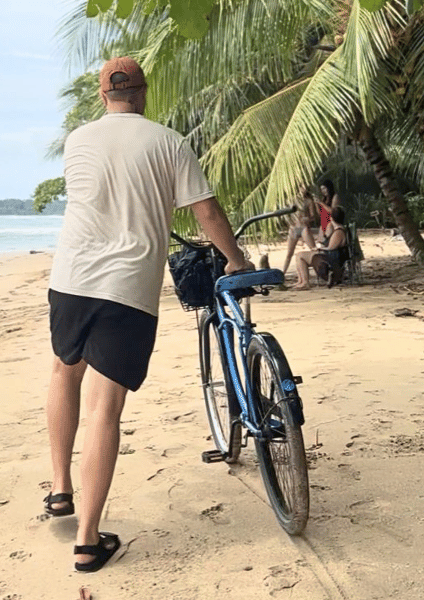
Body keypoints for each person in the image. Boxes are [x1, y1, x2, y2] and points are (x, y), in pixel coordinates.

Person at [44, 56, 253, 573]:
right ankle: (89, 541)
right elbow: (205, 210)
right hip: (126, 284)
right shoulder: (168, 142)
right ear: (143, 93)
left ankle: (59, 489)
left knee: (62, 372)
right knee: (104, 408)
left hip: (69, 278)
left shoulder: (77, 141)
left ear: (102, 95)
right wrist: (236, 258)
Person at [293, 206, 347, 290]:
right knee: (299, 255)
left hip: (330, 260)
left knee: (300, 256)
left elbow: (331, 248)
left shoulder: (338, 232)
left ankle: (305, 282)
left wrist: (319, 249)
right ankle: (301, 281)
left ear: (331, 218)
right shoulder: (338, 229)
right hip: (329, 257)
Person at [282, 185, 319, 274]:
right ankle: (283, 273)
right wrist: (289, 222)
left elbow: (313, 217)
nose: (304, 189)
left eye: (305, 187)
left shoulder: (309, 201)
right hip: (294, 228)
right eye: (302, 187)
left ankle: (319, 271)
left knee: (313, 250)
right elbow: (286, 213)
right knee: (289, 253)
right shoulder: (291, 200)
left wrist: (308, 219)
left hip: (303, 228)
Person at [316, 179, 342, 244]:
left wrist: (321, 203)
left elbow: (333, 212)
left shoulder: (335, 197)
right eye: (321, 189)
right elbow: (320, 213)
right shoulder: (324, 199)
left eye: (324, 188)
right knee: (319, 242)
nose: (323, 191)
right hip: (323, 223)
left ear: (329, 187)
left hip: (332, 222)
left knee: (325, 240)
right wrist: (316, 204)